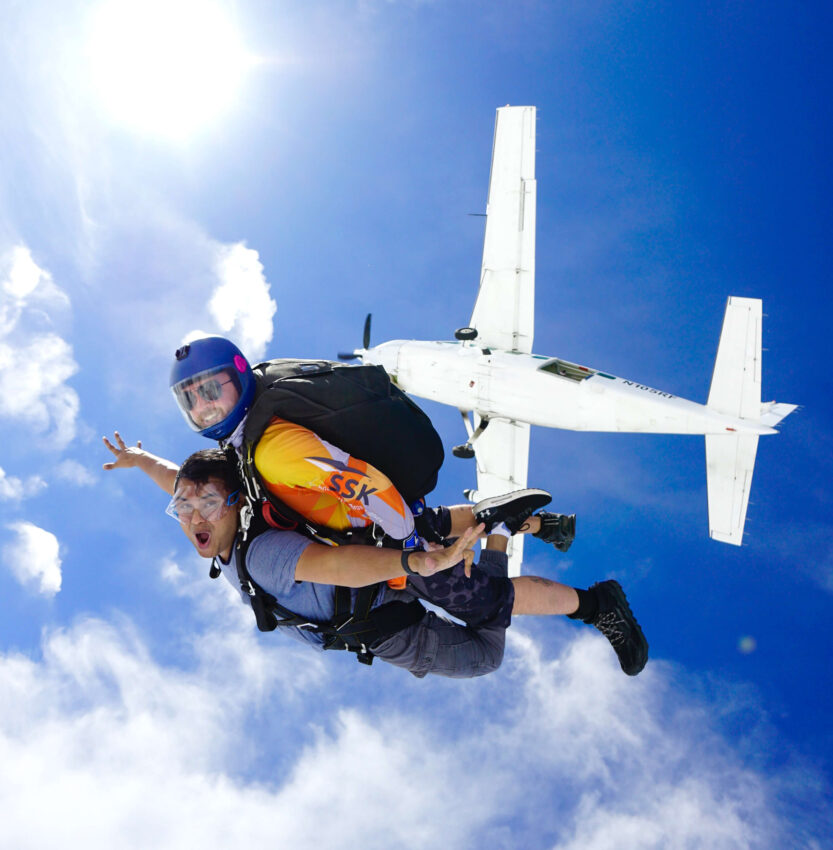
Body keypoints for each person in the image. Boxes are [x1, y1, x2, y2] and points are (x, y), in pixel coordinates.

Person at [103, 439, 649, 678]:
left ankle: (591, 599)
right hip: (383, 567)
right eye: (183, 506)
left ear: (233, 504)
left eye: (205, 504)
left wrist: (410, 568)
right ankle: (498, 521)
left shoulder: (260, 555)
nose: (193, 515)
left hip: (383, 615)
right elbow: (180, 481)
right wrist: (141, 460)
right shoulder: (231, 513)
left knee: (487, 647)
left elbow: (335, 568)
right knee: (430, 536)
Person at [166, 336, 577, 559]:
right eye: (189, 399)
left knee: (469, 595)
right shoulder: (261, 408)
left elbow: (369, 486)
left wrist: (409, 545)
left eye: (208, 389)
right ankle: (544, 525)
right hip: (385, 507)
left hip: (378, 520)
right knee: (445, 524)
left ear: (238, 376)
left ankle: (521, 538)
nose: (202, 407)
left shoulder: (273, 449)